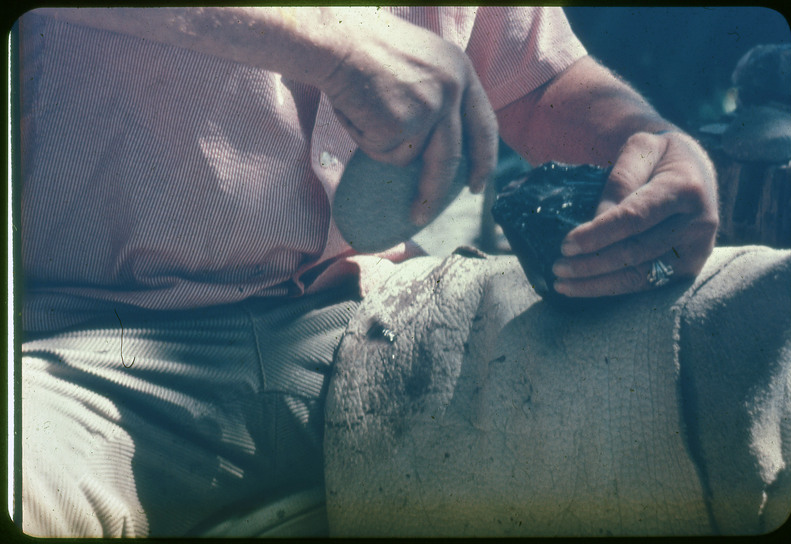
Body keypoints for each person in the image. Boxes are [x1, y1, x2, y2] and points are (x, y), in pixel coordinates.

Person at [14, 6, 719, 537]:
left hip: (384, 322)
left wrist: (648, 142)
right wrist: (333, 38)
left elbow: (537, 80)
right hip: (86, 356)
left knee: (738, 335)